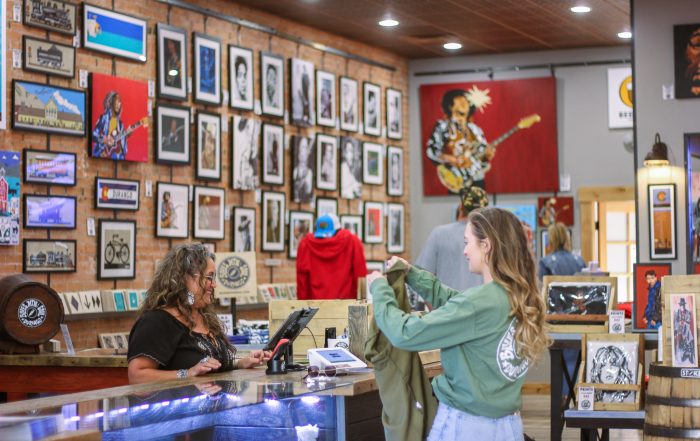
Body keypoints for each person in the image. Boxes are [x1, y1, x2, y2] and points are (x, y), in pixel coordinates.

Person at [367, 207, 548, 440]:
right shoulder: (517, 297)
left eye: (467, 242)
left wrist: (380, 289)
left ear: (487, 245)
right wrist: (413, 274)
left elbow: (404, 333)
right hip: (508, 426)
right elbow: (455, 302)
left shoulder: (479, 303)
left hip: (466, 427)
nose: (464, 251)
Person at [127, 244, 271, 384]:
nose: (213, 285)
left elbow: (210, 367)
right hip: (180, 407)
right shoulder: (157, 322)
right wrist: (187, 374)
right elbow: (137, 375)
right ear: (184, 278)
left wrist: (240, 363)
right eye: (209, 277)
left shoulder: (204, 316)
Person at [415, 186, 489, 291]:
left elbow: (424, 278)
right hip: (480, 305)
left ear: (461, 207)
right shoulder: (491, 237)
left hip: (446, 305)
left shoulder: (439, 233)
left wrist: (436, 307)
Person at [425, 87, 494, 192]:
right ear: (450, 105)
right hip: (456, 178)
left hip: (477, 179)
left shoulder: (475, 129)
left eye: (466, 100)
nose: (464, 103)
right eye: (460, 100)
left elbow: (481, 157)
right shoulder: (443, 126)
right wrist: (450, 158)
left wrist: (486, 156)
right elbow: (431, 151)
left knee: (481, 207)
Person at [235, 117, 258, 190]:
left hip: (252, 148)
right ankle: (242, 180)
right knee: (244, 159)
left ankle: (250, 181)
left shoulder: (254, 124)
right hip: (246, 147)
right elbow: (240, 128)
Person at [674, 297, 696, 365]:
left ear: (684, 305)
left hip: (686, 328)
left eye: (683, 305)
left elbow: (688, 321)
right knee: (678, 337)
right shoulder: (677, 312)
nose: (682, 306)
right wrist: (679, 324)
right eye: (681, 305)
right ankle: (681, 356)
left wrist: (684, 322)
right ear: (680, 305)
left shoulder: (688, 312)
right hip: (679, 328)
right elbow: (676, 322)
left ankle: (689, 355)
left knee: (689, 336)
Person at [292, 137, 313, 203]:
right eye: (302, 148)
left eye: (305, 148)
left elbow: (308, 191)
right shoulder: (295, 171)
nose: (303, 151)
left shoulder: (309, 173)